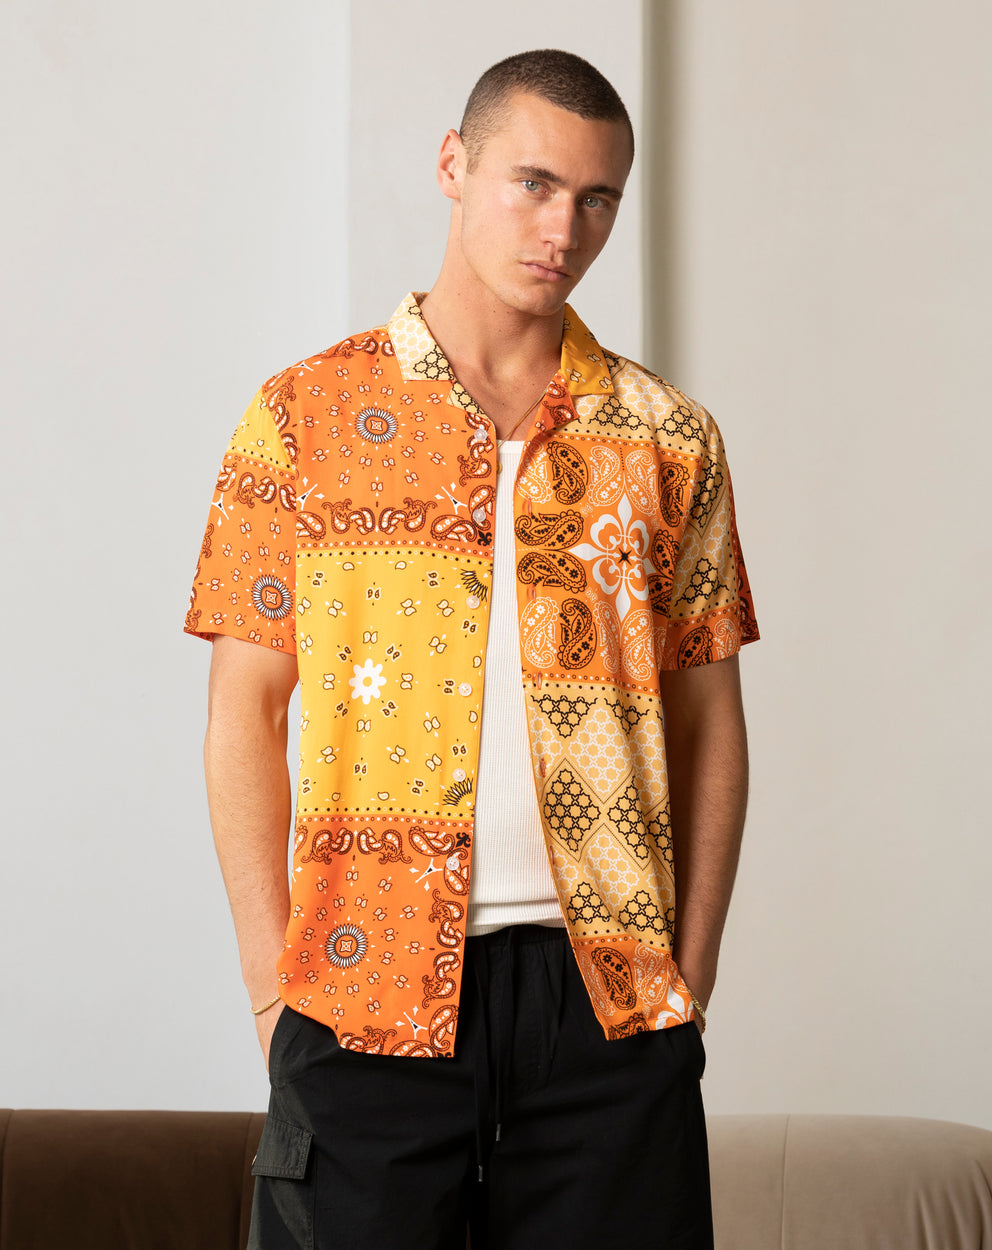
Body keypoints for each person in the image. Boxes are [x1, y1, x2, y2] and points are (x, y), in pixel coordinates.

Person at [186, 48, 758, 1250]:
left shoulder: (668, 440)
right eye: (533, 183)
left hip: (606, 1003)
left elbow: (710, 721)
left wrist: (687, 976)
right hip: (360, 986)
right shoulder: (301, 419)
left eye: (596, 198)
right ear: (454, 164)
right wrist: (271, 991)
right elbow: (244, 711)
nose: (563, 228)